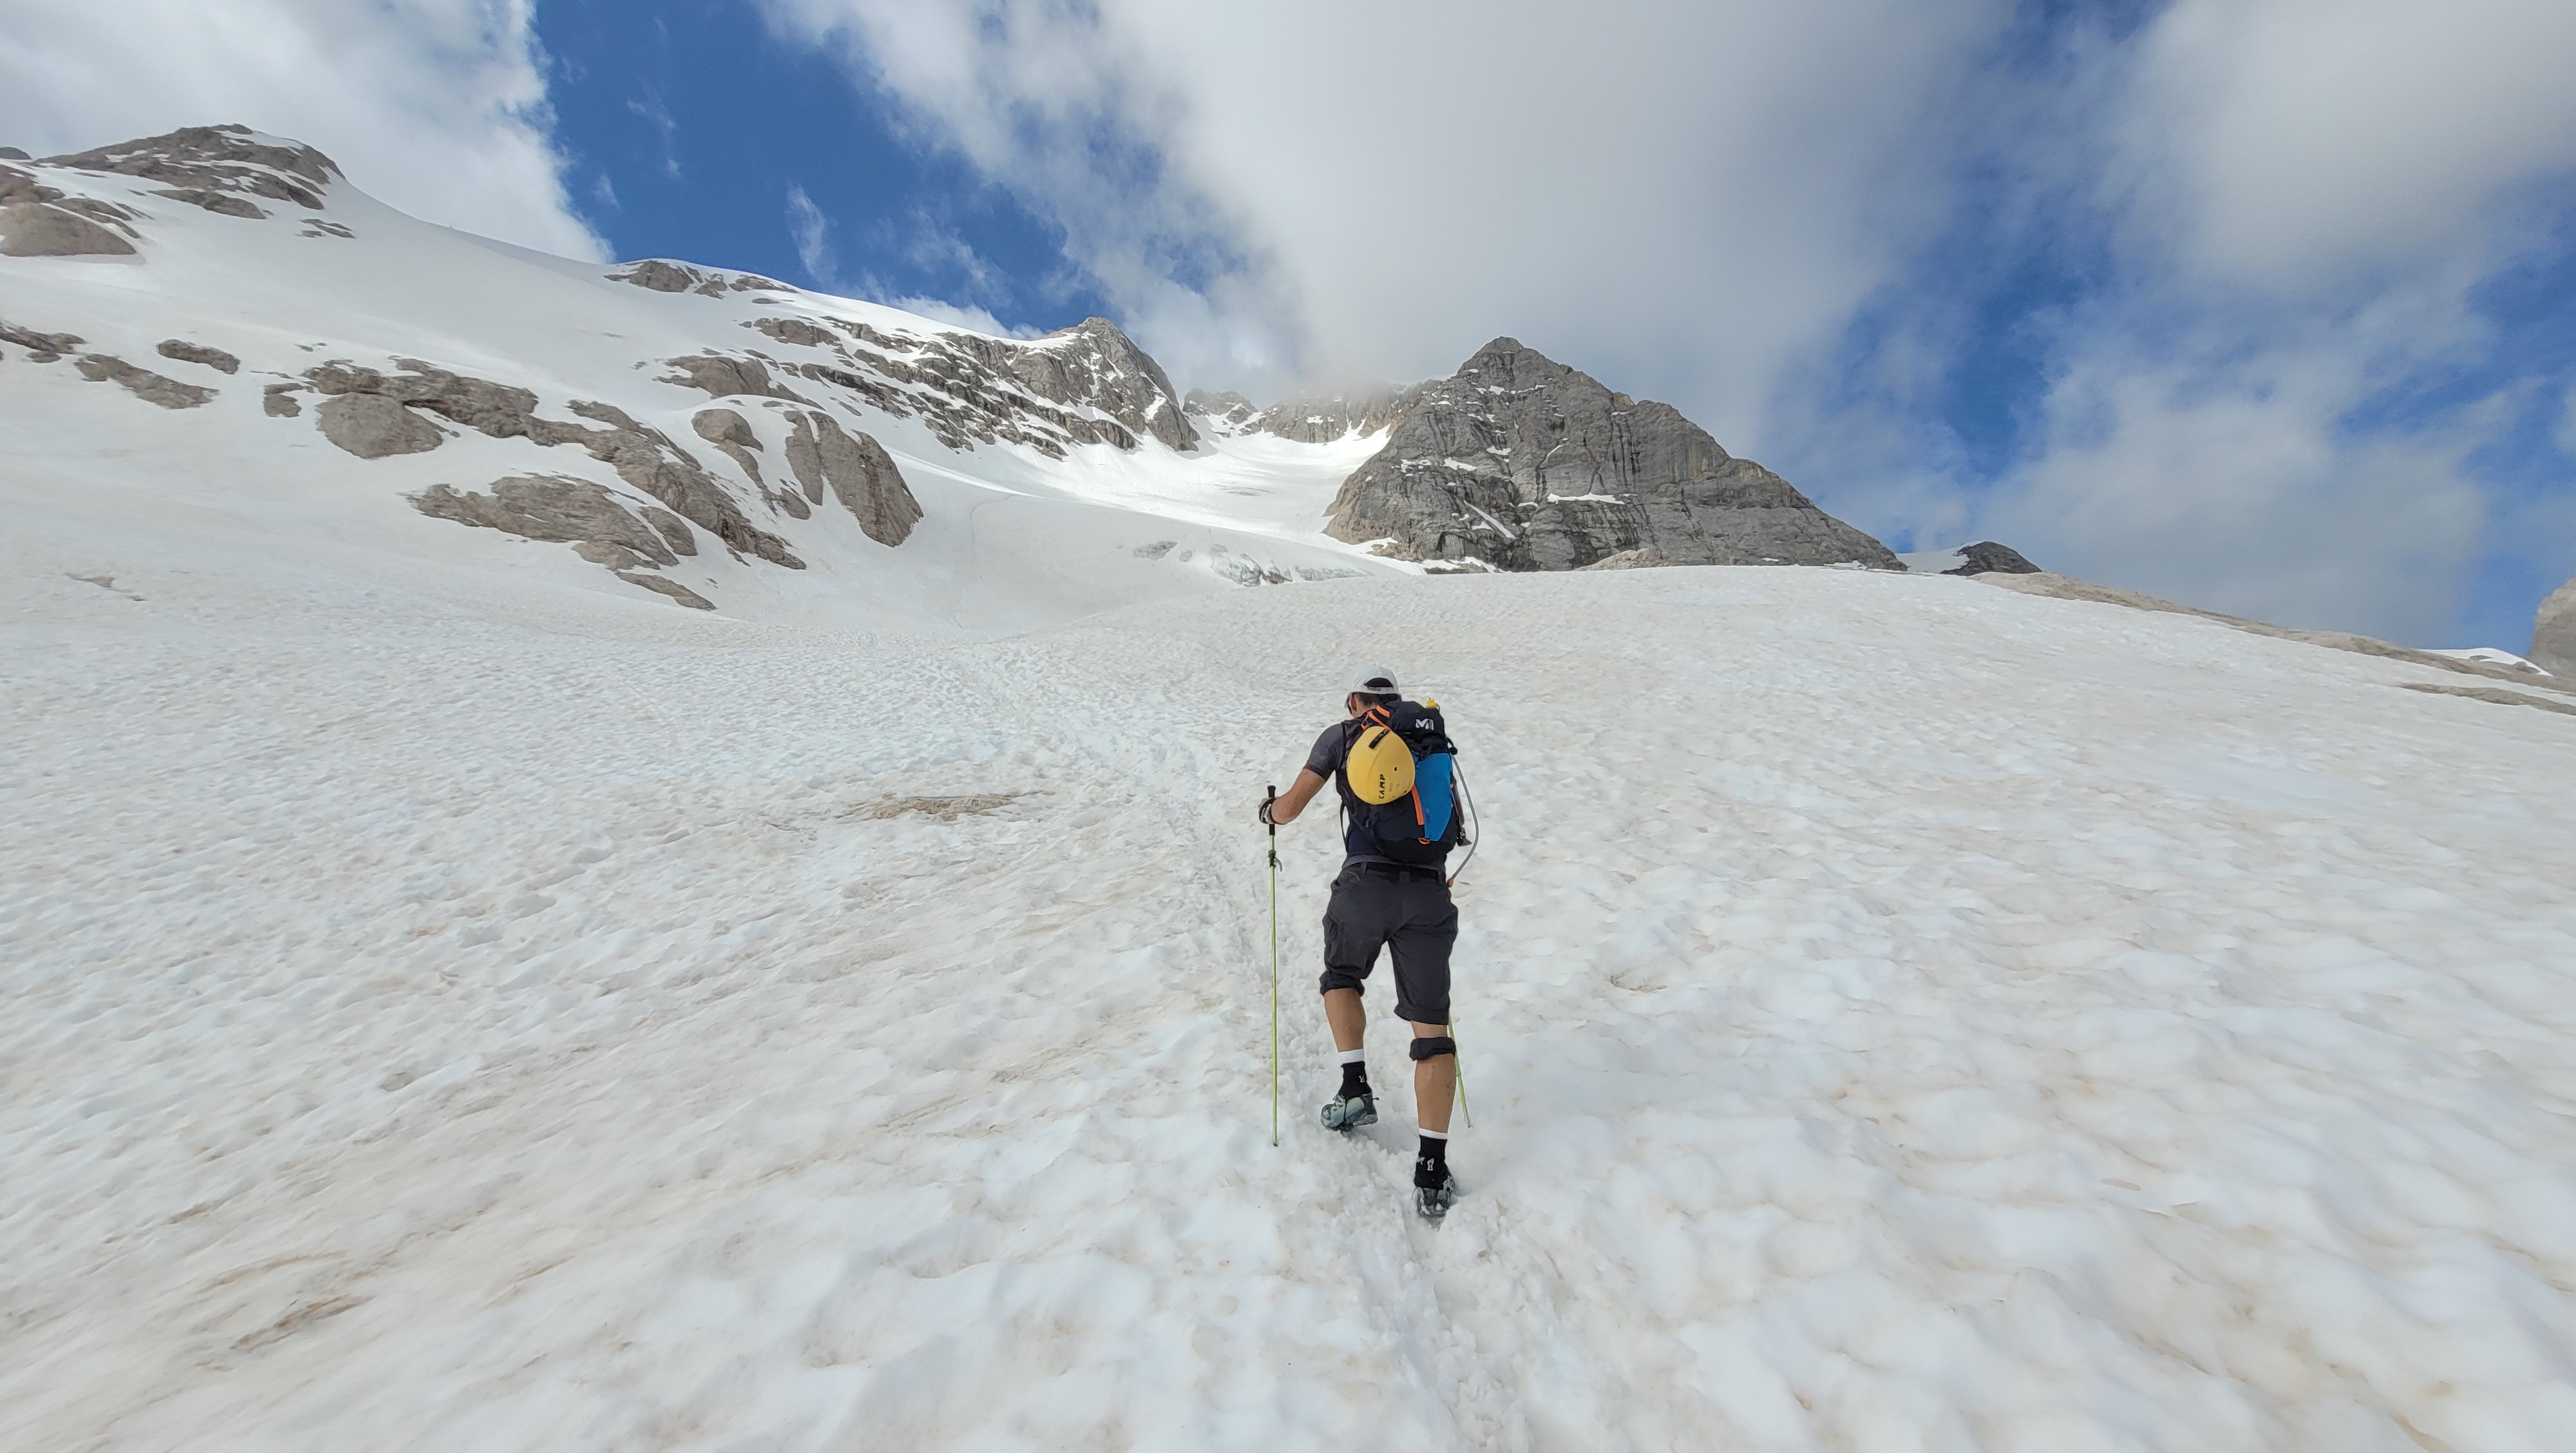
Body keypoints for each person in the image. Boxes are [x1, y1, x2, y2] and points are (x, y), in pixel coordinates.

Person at [1259, 667, 1462, 1219]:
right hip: (1429, 891)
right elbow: (1452, 818)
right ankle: (1432, 1170)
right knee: (1432, 1032)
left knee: (1342, 977)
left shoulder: (1344, 735)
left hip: (1365, 884)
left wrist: (1268, 812)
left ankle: (1354, 1087)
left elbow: (1291, 808)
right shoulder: (1428, 738)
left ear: (1354, 699)